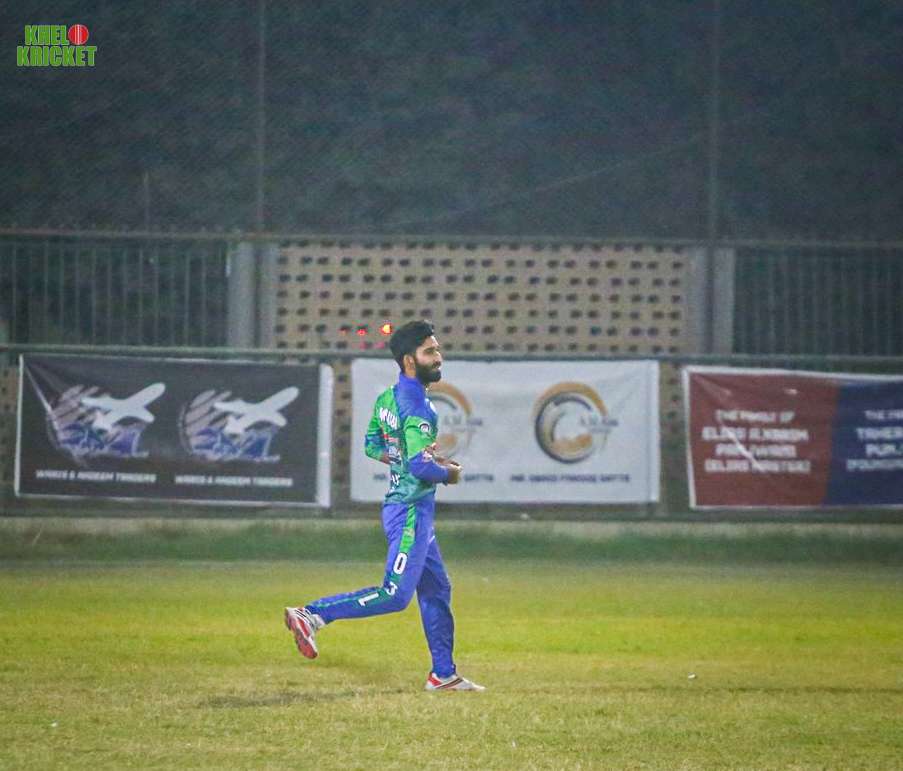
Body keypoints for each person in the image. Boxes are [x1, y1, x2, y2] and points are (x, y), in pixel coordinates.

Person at [284, 320, 485, 692]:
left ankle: (443, 674)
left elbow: (372, 446)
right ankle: (313, 614)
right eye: (430, 352)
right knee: (395, 595)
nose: (438, 357)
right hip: (410, 511)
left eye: (437, 349)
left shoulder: (388, 398)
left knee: (437, 590)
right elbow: (420, 468)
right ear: (410, 360)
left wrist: (414, 459)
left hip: (407, 509)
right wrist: (449, 473)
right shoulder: (420, 407)